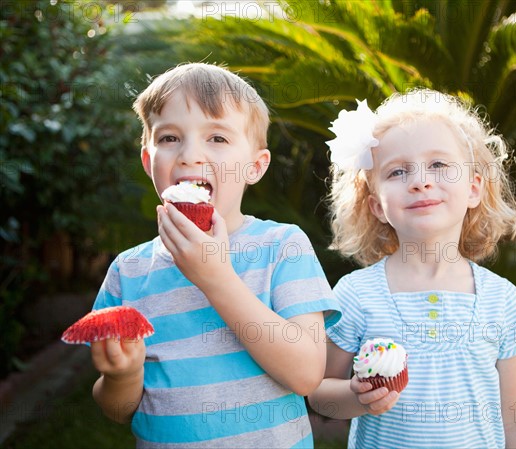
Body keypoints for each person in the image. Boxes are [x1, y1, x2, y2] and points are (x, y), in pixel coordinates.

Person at [90, 62, 341, 448]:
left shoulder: (282, 247)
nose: (190, 155)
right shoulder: (128, 271)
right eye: (170, 138)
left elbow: (307, 374)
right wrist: (121, 376)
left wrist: (216, 278)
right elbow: (118, 410)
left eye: (218, 139)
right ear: (148, 161)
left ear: (255, 167)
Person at [308, 90, 516, 448]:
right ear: (377, 206)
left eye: (439, 165)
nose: (420, 180)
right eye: (398, 171)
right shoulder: (356, 295)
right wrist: (356, 398)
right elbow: (319, 392)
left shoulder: (503, 301)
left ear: (474, 189)